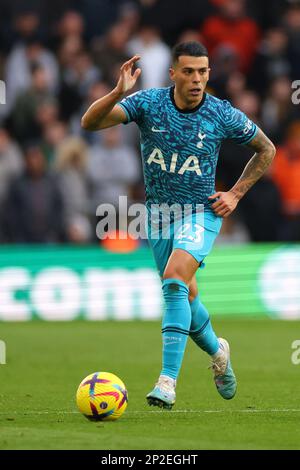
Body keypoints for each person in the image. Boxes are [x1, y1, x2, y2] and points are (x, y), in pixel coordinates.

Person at [81, 41, 276, 409]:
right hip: (157, 216)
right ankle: (218, 350)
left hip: (201, 213)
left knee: (173, 280)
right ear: (173, 74)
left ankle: (167, 382)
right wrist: (118, 92)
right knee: (185, 295)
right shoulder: (147, 104)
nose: (197, 79)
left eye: (203, 72)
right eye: (188, 71)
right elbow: (89, 123)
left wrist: (234, 194)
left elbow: (267, 149)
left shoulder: (221, 113)